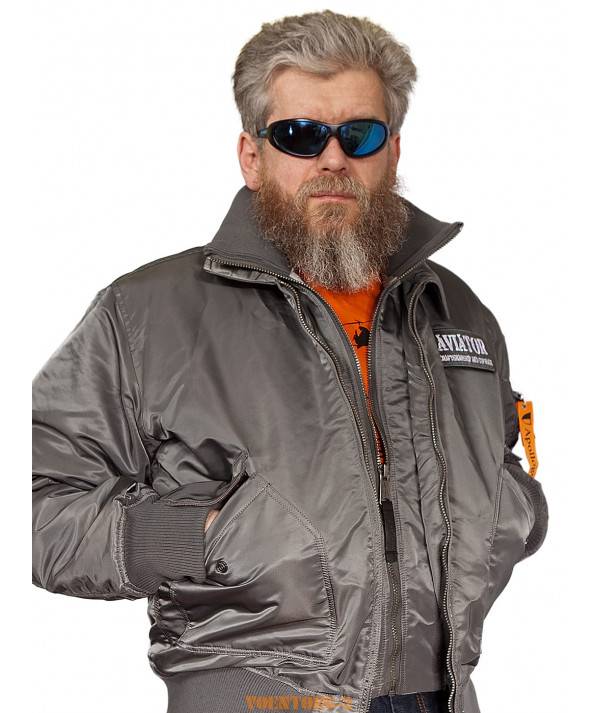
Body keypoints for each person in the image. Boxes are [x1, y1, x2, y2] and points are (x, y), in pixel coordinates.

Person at [32, 10, 549, 713]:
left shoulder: (455, 310)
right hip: (255, 698)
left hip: (446, 695)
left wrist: (517, 513)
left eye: (359, 135)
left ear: (393, 151)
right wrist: (199, 533)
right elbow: (35, 507)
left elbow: (500, 465)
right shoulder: (147, 313)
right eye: (300, 135)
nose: (332, 159)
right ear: (252, 156)